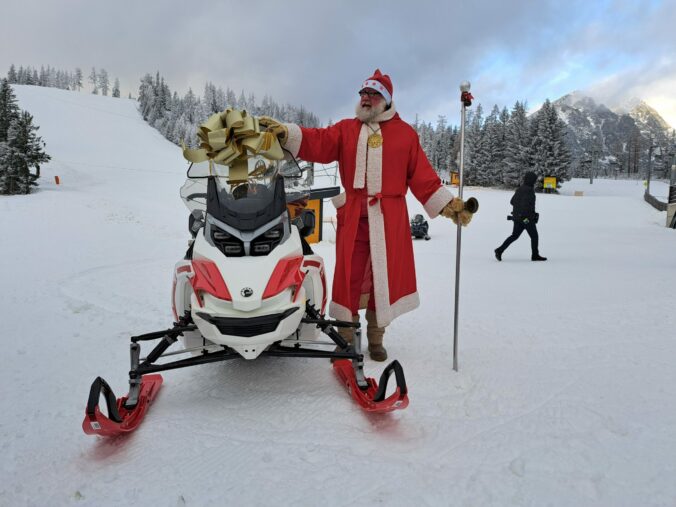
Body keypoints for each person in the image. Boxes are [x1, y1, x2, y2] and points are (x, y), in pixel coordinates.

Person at [259, 69, 477, 361]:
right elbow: (319, 140)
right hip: (353, 219)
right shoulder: (346, 130)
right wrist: (288, 134)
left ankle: (376, 339)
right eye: (363, 94)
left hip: (390, 219)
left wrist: (450, 206)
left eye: (372, 94)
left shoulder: (405, 135)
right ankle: (346, 336)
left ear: (386, 100)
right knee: (348, 276)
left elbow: (423, 178)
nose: (365, 99)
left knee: (382, 279)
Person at [494, 171, 547, 261]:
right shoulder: (529, 190)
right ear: (531, 180)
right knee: (534, 236)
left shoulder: (520, 189)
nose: (535, 182)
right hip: (526, 219)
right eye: (534, 180)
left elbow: (512, 201)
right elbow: (526, 205)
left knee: (514, 236)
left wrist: (519, 213)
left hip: (517, 218)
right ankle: (535, 255)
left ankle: (499, 250)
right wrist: (530, 216)